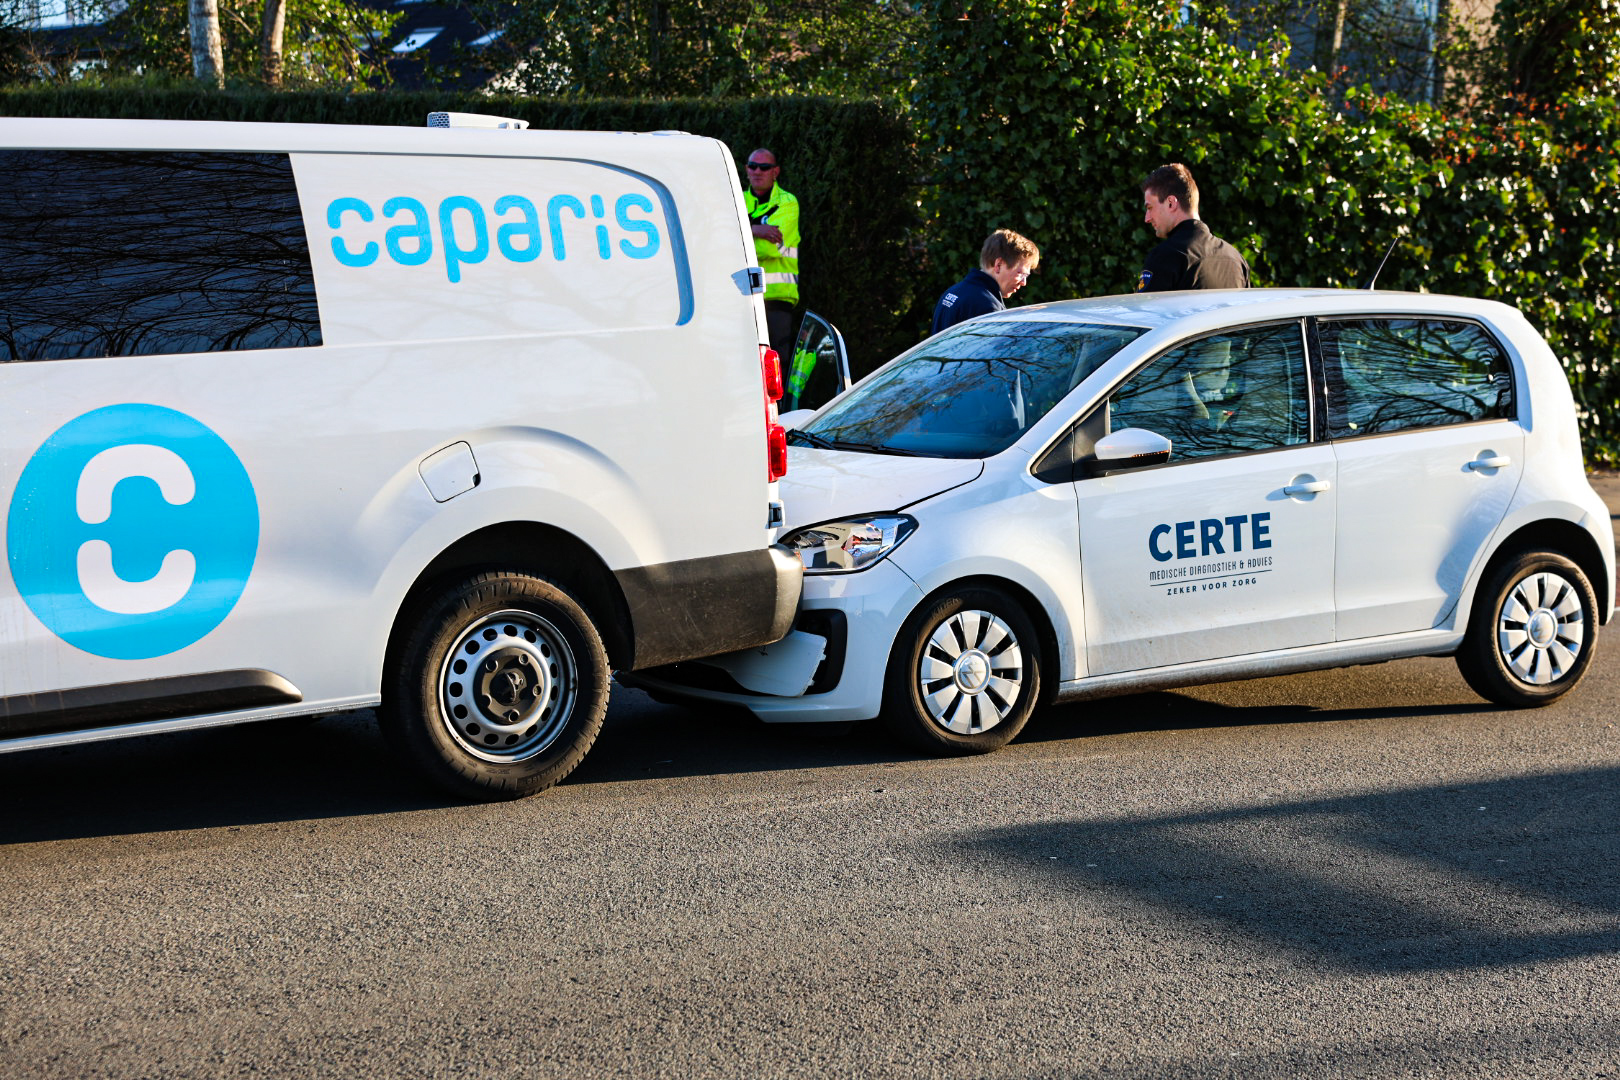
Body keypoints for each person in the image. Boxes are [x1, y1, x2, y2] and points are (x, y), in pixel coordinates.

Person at [1137, 163, 1251, 292]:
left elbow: (1147, 310)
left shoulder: (1165, 256)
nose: (1147, 218)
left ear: (1171, 203)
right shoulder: (1236, 259)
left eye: (1150, 207)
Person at [742, 148, 799, 362]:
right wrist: (757, 230)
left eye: (764, 167)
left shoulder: (787, 202)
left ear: (775, 171)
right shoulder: (736, 200)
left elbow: (771, 248)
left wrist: (742, 231)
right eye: (752, 166)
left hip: (777, 298)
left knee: (775, 366)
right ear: (746, 169)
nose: (757, 171)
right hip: (742, 296)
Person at [932, 229, 1040, 335]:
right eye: (1021, 273)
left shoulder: (952, 292)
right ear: (999, 265)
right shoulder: (987, 308)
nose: (1024, 282)